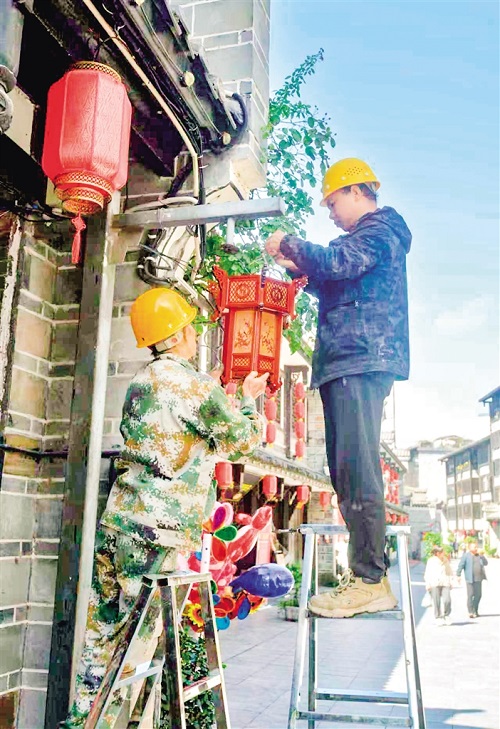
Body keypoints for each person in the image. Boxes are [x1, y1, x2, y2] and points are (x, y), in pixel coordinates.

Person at [62, 288, 269, 727]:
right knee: (138, 650)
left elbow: (175, 432)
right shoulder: (194, 386)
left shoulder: (143, 382)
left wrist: (210, 391)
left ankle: (81, 721)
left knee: (100, 638)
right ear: (176, 335)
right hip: (159, 533)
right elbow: (242, 440)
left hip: (120, 522)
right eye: (190, 328)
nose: (195, 334)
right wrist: (248, 400)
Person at [265, 157, 411, 618]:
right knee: (347, 468)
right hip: (348, 360)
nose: (329, 212)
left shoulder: (379, 230)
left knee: (357, 468)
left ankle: (369, 580)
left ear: (357, 191)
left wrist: (289, 243)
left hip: (359, 358)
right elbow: (334, 280)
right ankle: (367, 576)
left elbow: (337, 262)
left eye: (332, 202)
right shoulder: (367, 241)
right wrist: (297, 268)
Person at [456, 541, 488, 618]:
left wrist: (482, 556)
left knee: (478, 595)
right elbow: (461, 565)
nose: (476, 548)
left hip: (478, 578)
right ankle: (470, 611)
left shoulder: (479, 556)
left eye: (476, 547)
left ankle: (475, 609)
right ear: (470, 548)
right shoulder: (466, 556)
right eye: (474, 547)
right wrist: (458, 575)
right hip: (470, 579)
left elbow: (486, 563)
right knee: (470, 595)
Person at [424, 546, 454, 626]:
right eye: (442, 552)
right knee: (436, 601)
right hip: (434, 583)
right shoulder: (431, 561)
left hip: (445, 582)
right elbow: (427, 572)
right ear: (438, 553)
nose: (444, 553)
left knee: (447, 600)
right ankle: (438, 617)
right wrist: (427, 583)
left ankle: (446, 615)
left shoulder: (445, 560)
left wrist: (451, 581)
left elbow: (449, 571)